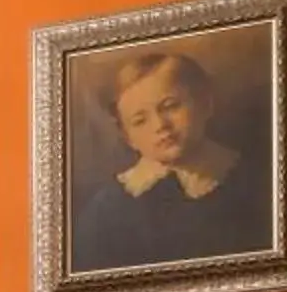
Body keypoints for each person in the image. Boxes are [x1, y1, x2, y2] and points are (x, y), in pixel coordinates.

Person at [69, 48, 275, 273]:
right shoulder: (106, 212)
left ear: (205, 104)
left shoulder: (257, 182)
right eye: (140, 121)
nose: (160, 125)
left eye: (170, 107)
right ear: (129, 138)